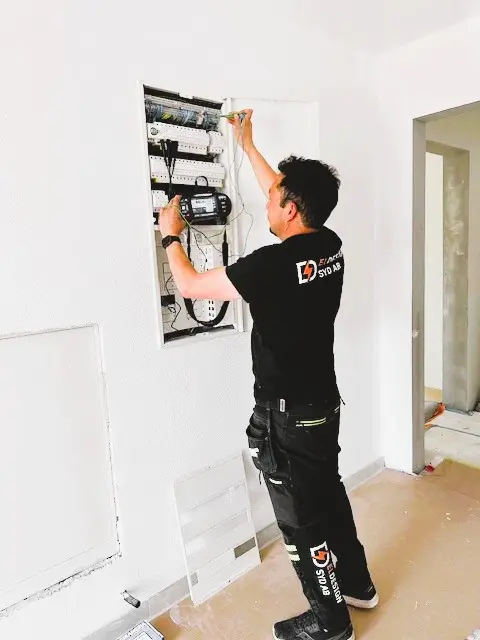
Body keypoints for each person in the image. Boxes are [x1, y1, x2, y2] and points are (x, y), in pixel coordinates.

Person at [158, 109, 377, 640]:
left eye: (274, 196)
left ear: (292, 208)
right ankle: (358, 585)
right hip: (322, 407)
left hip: (287, 418)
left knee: (302, 522)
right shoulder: (329, 245)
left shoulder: (269, 267)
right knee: (329, 497)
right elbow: (282, 191)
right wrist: (248, 145)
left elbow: (190, 286)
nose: (266, 199)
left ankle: (330, 622)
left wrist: (170, 236)